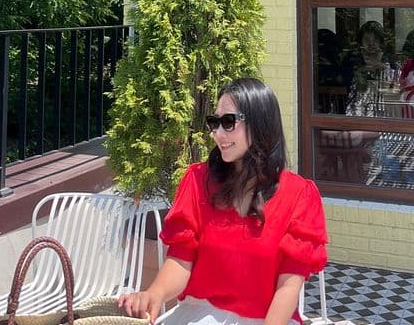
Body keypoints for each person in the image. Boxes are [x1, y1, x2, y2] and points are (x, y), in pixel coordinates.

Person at [118, 78, 328, 325]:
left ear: (261, 124)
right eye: (214, 122)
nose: (218, 133)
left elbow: (288, 288)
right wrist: (154, 294)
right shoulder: (197, 180)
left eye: (229, 122)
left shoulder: (299, 195)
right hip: (199, 316)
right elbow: (181, 259)